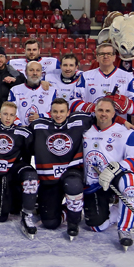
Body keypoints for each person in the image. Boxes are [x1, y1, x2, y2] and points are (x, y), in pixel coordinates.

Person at [82, 97, 134, 249]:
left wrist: (116, 167)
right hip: (95, 183)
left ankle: (124, 229)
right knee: (97, 226)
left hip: (116, 178)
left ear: (114, 114)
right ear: (94, 111)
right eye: (100, 110)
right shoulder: (85, 129)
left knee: (131, 183)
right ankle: (118, 209)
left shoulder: (126, 133)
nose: (103, 114)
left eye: (108, 111)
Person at [30, 99, 89, 239]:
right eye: (55, 111)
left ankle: (73, 221)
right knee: (50, 223)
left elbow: (103, 117)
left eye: (62, 111)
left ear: (68, 112)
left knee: (73, 185)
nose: (58, 115)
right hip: (49, 178)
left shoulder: (80, 121)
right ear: (50, 113)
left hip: (72, 171)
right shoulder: (38, 125)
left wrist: (124, 122)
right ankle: (65, 211)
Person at [72, 43, 134, 125]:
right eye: (102, 54)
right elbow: (73, 102)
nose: (105, 56)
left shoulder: (127, 77)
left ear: (114, 57)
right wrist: (94, 108)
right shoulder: (85, 76)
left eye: (109, 54)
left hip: (118, 126)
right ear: (97, 57)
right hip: (91, 125)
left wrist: (125, 104)